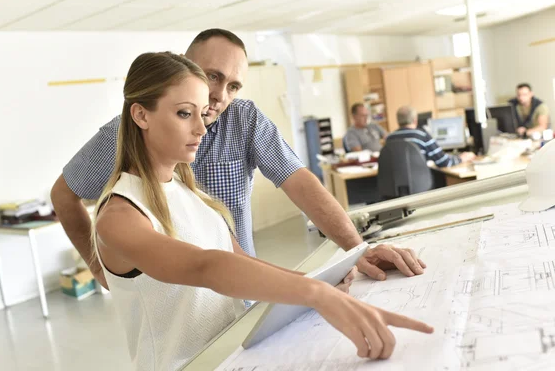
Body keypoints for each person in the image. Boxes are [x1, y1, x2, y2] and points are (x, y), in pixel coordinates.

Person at [93, 51, 434, 370]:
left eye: (201, 113)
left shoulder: (187, 192)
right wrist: (315, 293)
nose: (201, 128)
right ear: (141, 115)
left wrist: (324, 285)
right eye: (184, 113)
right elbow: (205, 266)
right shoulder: (120, 215)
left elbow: (241, 263)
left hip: (232, 356)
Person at [51, 29, 427, 289]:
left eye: (232, 85)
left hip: (244, 288)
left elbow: (300, 183)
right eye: (211, 76)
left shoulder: (243, 120)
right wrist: (102, 272)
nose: (218, 95)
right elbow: (64, 195)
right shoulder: (128, 136)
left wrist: (356, 250)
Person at [386, 106, 476, 167]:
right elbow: (443, 162)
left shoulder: (389, 139)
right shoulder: (422, 135)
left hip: (395, 187)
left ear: (398, 121)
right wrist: (461, 158)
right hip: (420, 184)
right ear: (415, 120)